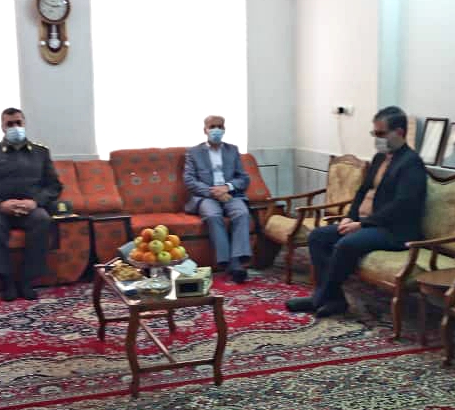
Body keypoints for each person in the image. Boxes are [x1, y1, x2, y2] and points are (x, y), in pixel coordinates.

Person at [285, 106, 427, 318]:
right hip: (366, 223)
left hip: (394, 230)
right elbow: (362, 191)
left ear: (399, 132)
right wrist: (349, 217)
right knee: (317, 237)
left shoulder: (411, 163)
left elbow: (402, 205)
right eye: (374, 133)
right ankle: (335, 300)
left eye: (380, 133)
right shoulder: (380, 158)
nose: (376, 138)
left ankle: (319, 298)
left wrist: (361, 224)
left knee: (346, 244)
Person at [0, 107, 62, 301]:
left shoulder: (41, 152)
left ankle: (26, 280)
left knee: (43, 219)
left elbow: (54, 186)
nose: (15, 127)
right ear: (2, 127)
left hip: (31, 209)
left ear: (24, 124)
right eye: (10, 124)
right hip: (0, 210)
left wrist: (35, 202)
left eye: (18, 123)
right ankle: (7, 282)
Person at [183, 115, 252, 283]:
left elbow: (243, 178)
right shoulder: (193, 152)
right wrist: (214, 192)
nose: (216, 130)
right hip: (206, 196)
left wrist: (227, 187)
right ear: (205, 130)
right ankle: (230, 263)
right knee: (213, 215)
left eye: (220, 127)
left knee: (242, 213)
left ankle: (235, 262)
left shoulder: (232, 150)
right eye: (212, 126)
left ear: (224, 129)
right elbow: (189, 180)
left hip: (230, 194)